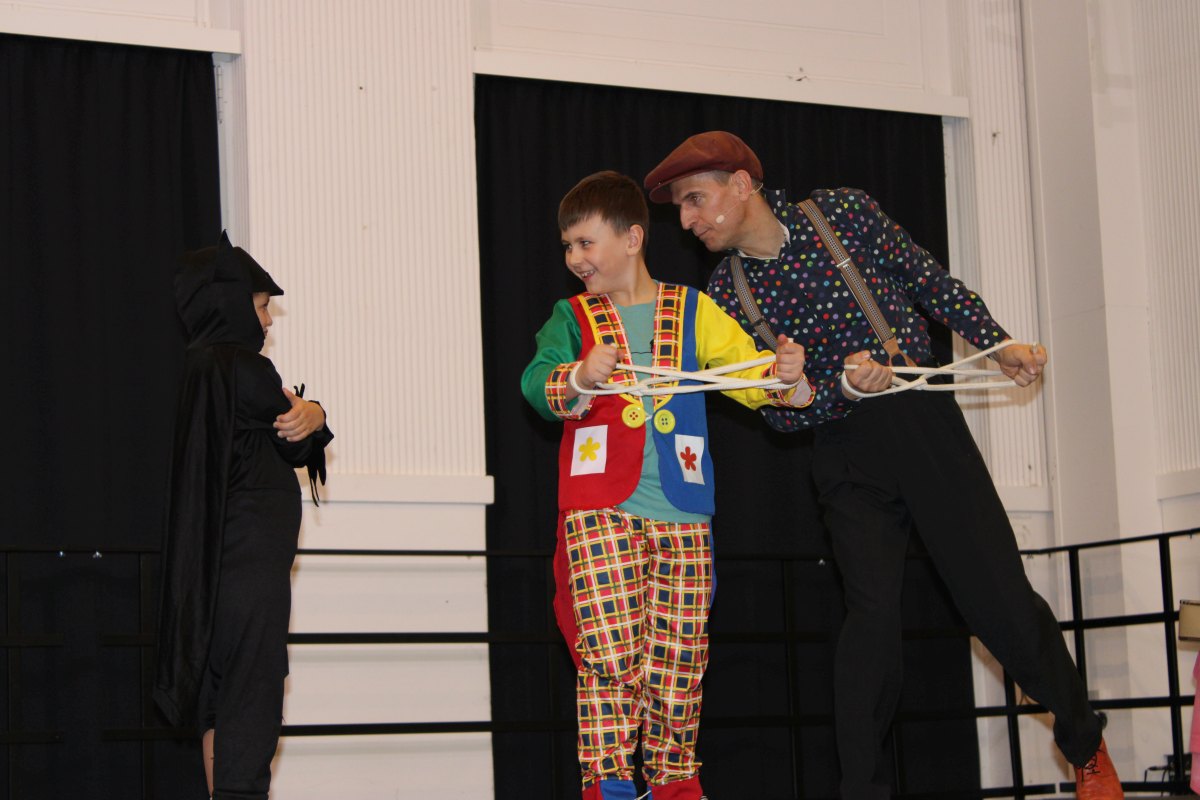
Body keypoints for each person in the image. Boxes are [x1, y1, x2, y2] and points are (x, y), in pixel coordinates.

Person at [643, 131, 1123, 800]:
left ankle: (1084, 743)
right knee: (868, 619)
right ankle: (861, 791)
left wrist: (996, 343)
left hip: (921, 422)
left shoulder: (841, 211)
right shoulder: (727, 293)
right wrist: (836, 387)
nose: (687, 220)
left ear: (742, 185)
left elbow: (929, 281)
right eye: (680, 208)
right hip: (842, 450)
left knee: (997, 599)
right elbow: (779, 413)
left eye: (695, 199)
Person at [521, 171, 812, 800]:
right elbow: (536, 384)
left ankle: (676, 781)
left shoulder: (692, 309)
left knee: (680, 659)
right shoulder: (572, 317)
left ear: (632, 239)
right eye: (567, 246)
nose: (574, 258)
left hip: (684, 510)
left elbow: (751, 375)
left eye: (586, 243)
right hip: (598, 509)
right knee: (608, 651)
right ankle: (609, 785)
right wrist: (579, 376)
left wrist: (786, 376)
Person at [153, 232, 333, 800]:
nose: (268, 321)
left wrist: (309, 416)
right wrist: (316, 411)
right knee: (252, 693)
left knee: (220, 694)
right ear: (229, 305)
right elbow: (299, 434)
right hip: (248, 570)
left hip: (214, 571)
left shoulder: (199, 369)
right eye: (260, 307)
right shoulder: (245, 369)